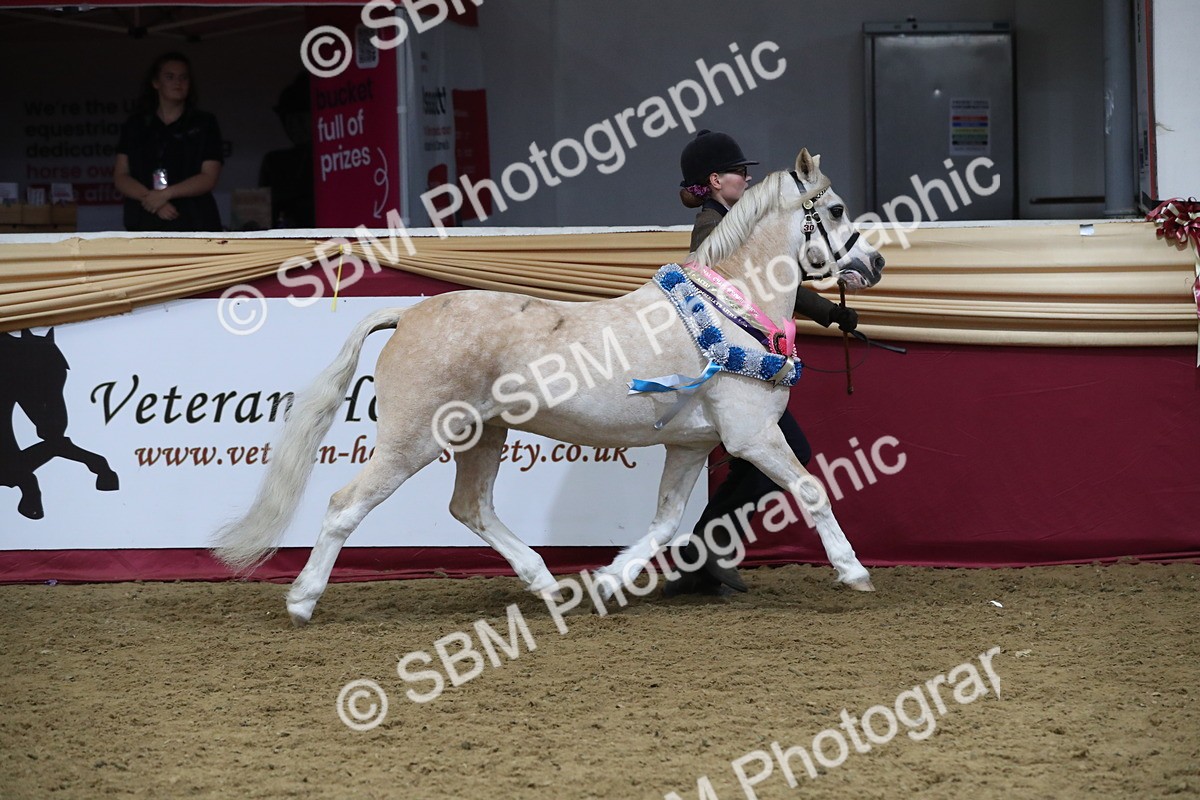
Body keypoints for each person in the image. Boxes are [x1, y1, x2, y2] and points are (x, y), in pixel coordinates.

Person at [666, 129, 858, 596]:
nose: (746, 178)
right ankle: (702, 553)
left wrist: (829, 313)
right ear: (715, 180)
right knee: (784, 452)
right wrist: (827, 312)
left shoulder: (736, 221)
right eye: (738, 171)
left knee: (758, 460)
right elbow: (752, 286)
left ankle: (701, 557)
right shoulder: (711, 228)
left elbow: (776, 279)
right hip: (727, 374)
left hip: (741, 371)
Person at [113, 52, 224, 231]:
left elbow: (209, 177)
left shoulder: (204, 123)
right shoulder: (136, 124)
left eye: (183, 77)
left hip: (194, 219)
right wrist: (151, 199)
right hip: (145, 220)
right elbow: (121, 176)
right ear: (156, 82)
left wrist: (166, 194)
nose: (178, 83)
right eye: (170, 77)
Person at [259, 72, 315, 229]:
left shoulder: (335, 160)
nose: (293, 127)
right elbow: (263, 215)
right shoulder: (275, 162)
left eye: (300, 120)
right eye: (287, 121)